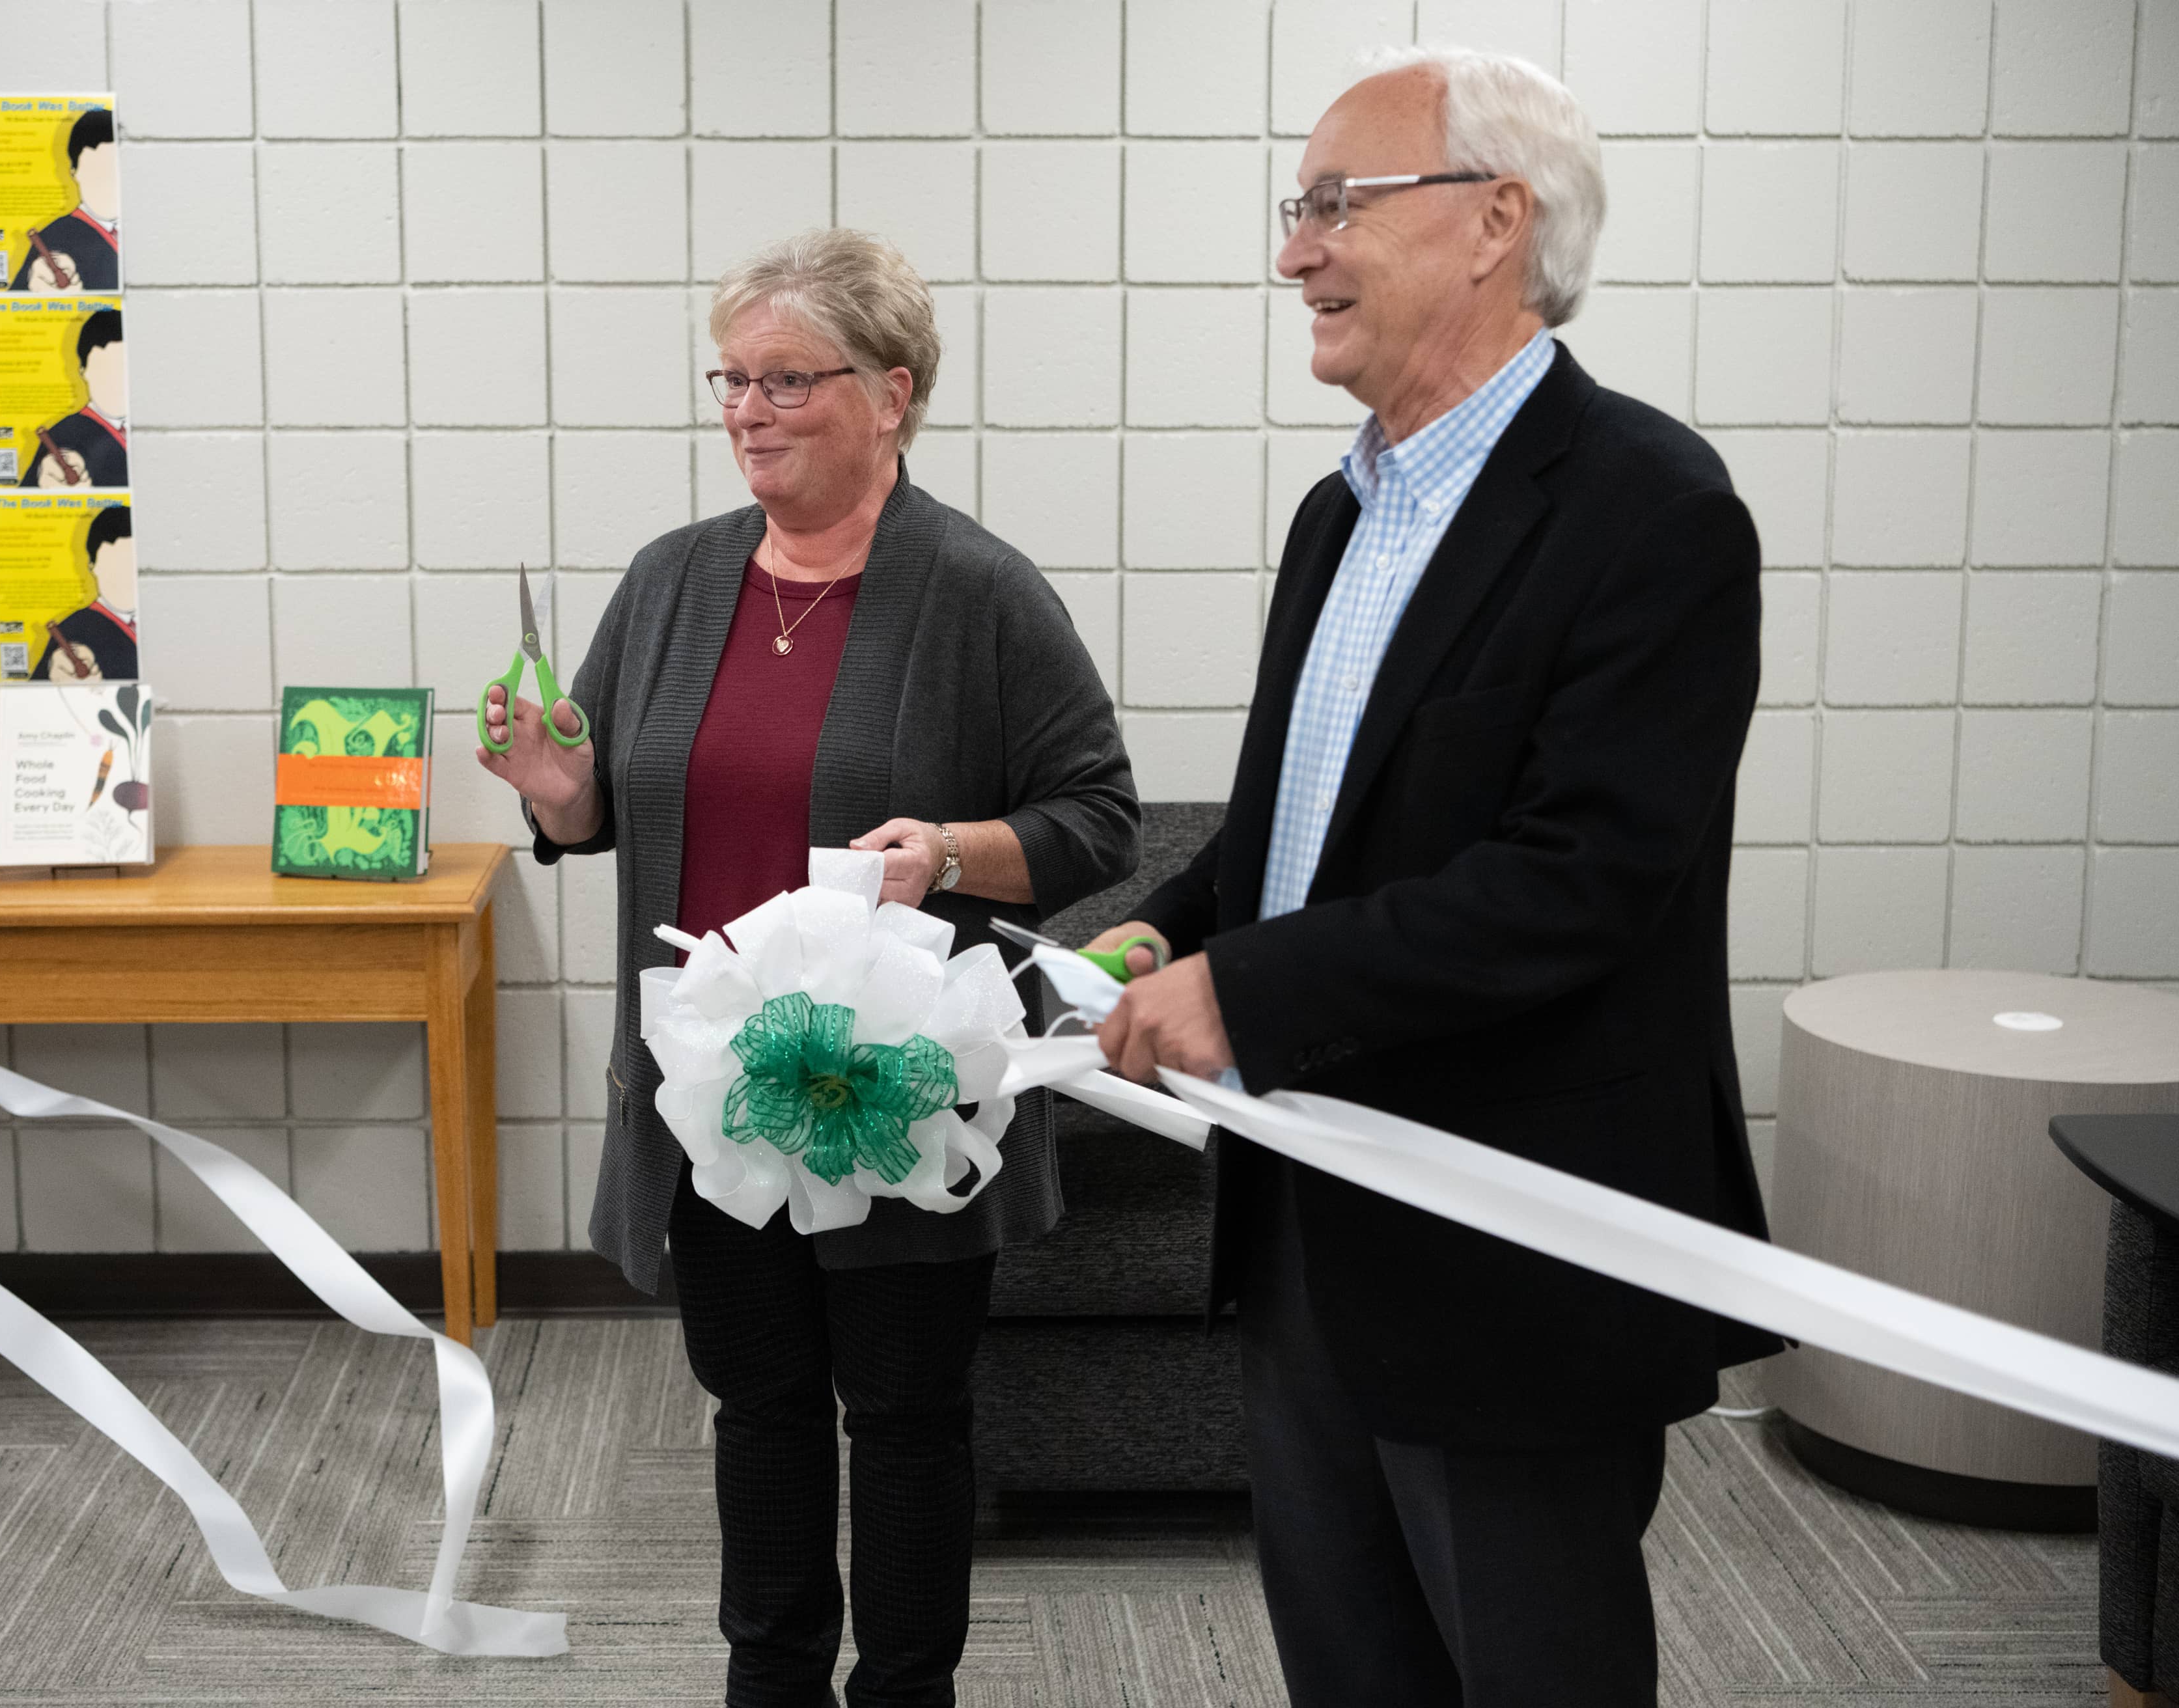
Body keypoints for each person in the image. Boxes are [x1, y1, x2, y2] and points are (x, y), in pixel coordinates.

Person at [1085, 47, 1779, 1708]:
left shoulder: (1651, 510)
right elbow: (1287, 841)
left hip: (1508, 1252)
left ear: (1493, 221)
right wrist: (1150, 930)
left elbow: (1576, 881)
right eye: (1294, 207)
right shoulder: (1340, 517)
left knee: (1530, 1667)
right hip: (1306, 1216)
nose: (1292, 250)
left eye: (1336, 203)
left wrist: (1237, 989)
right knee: (1351, 1662)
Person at [478, 228, 1135, 1708]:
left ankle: (904, 1688)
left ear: (891, 390)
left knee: (902, 1417)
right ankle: (766, 1682)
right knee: (757, 1409)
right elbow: (593, 810)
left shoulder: (974, 589)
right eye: (732, 378)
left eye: (788, 379)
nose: (749, 409)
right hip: (716, 1095)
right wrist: (547, 783)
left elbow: (1096, 814)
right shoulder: (671, 580)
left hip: (894, 1090)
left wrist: (951, 853)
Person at [12, 105, 120, 292]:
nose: (110, 185)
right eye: (96, 172)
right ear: (74, 174)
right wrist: (34, 292)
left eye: (117, 172)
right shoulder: (54, 237)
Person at [20, 309, 126, 489]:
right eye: (104, 371)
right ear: (83, 373)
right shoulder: (66, 436)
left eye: (125, 371)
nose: (117, 383)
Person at [31, 504, 136, 680]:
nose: (127, 578)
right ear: (92, 568)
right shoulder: (73, 631)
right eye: (116, 567)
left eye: (134, 567)